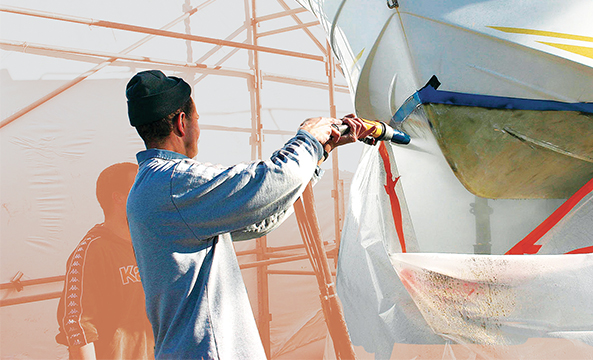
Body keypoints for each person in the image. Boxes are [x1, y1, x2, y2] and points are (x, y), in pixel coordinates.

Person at [124, 70, 367, 359]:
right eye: (197, 119)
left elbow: (261, 217)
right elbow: (271, 182)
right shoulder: (175, 182)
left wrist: (317, 155)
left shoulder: (154, 186)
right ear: (181, 122)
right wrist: (309, 140)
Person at [56, 162, 155, 360]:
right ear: (118, 198)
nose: (148, 197)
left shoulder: (150, 246)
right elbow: (79, 328)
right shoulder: (92, 250)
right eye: (139, 189)